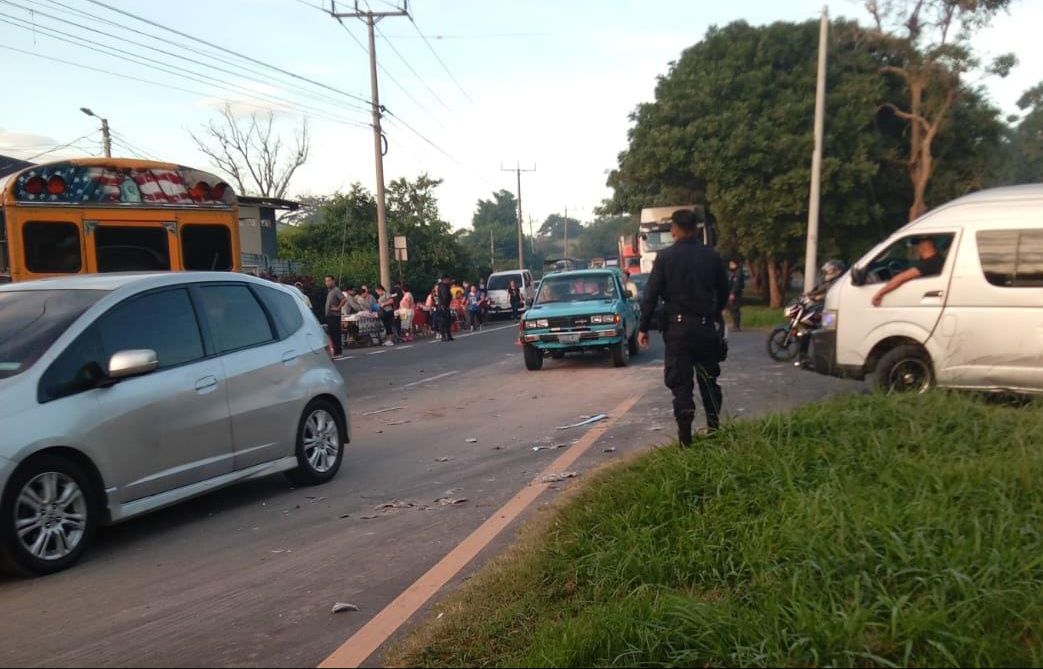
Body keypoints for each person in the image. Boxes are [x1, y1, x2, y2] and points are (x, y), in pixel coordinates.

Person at [638, 209, 729, 447]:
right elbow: (724, 290)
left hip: (677, 330)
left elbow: (651, 294)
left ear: (675, 230)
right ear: (697, 230)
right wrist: (716, 312)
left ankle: (685, 440)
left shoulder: (665, 258)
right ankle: (714, 430)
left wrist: (643, 327)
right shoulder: (711, 256)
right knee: (709, 379)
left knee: (681, 385)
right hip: (705, 327)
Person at [872, 237, 945, 307]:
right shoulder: (940, 259)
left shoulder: (929, 264)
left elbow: (900, 279)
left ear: (921, 248)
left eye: (916, 247)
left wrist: (880, 293)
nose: (915, 250)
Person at [324, 275, 348, 357]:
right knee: (332, 334)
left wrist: (338, 307)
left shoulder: (336, 290)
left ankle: (338, 351)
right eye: (326, 281)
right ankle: (335, 351)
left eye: (329, 280)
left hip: (334, 315)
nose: (327, 283)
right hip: (330, 316)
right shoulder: (329, 291)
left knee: (336, 333)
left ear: (333, 281)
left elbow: (344, 299)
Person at [727, 259, 745, 332]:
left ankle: (737, 325)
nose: (730, 265)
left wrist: (733, 293)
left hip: (735, 294)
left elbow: (737, 284)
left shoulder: (738, 273)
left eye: (732, 264)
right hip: (731, 292)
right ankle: (735, 324)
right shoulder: (731, 272)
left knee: (735, 309)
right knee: (732, 309)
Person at [438, 274, 455, 342]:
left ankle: (448, 335)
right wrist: (443, 305)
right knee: (443, 321)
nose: (449, 280)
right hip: (443, 305)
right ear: (445, 279)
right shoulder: (443, 286)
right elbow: (444, 296)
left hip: (446, 305)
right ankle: (443, 336)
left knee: (447, 321)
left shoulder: (446, 286)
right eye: (447, 279)